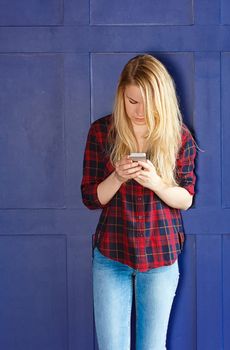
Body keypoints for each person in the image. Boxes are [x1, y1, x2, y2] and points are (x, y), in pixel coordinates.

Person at [80, 53, 197, 350]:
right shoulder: (101, 131)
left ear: (162, 99)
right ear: (121, 96)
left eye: (148, 102)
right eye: (133, 102)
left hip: (160, 255)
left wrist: (157, 183)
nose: (140, 111)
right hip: (111, 255)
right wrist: (117, 177)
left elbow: (185, 200)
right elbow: (90, 198)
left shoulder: (179, 137)